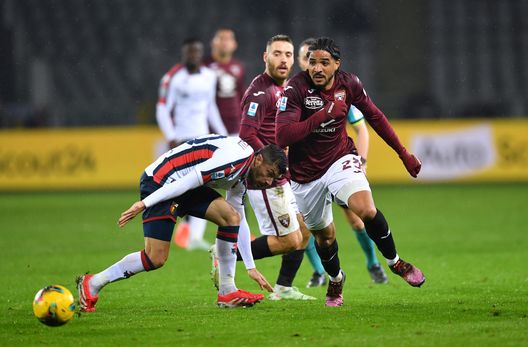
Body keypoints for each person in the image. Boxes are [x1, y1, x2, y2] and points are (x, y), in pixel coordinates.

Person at [276, 37, 425, 307]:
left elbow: (376, 117)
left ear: (337, 64)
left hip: (340, 158)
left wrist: (403, 153)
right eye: (312, 62)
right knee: (325, 235)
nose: (317, 68)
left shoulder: (350, 83)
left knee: (365, 209)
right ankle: (335, 278)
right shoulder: (295, 89)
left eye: (324, 62)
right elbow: (282, 134)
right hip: (305, 174)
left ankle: (395, 262)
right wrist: (323, 114)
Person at [77, 134, 287, 311]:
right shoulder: (237, 158)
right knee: (155, 258)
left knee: (230, 216)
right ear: (259, 160)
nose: (268, 182)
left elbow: (237, 218)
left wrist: (250, 266)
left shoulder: (244, 173)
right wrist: (145, 203)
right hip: (163, 181)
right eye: (269, 174)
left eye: (273, 178)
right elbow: (188, 180)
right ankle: (93, 283)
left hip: (186, 187)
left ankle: (227, 291)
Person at [297, 38, 387, 287]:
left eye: (316, 60)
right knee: (306, 226)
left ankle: (373, 264)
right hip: (307, 173)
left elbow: (362, 129)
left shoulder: (338, 91)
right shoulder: (294, 94)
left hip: (336, 164)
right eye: (307, 59)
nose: (312, 65)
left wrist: (363, 161)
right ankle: (319, 272)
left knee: (357, 218)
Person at [235, 34, 314, 300]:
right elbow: (247, 134)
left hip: (282, 176)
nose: (283, 59)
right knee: (289, 241)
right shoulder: (261, 91)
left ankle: (283, 287)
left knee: (304, 231)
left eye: (288, 55)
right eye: (277, 53)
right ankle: (226, 252)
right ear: (265, 57)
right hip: (266, 181)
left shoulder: (284, 88)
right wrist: (272, 159)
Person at [156, 37, 228, 251]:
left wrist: (223, 135)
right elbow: (162, 109)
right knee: (179, 189)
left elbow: (210, 107)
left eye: (196, 52)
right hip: (182, 140)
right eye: (189, 52)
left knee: (203, 185)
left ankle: (193, 237)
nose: (193, 56)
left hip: (202, 138)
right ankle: (179, 228)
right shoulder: (172, 78)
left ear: (201, 53)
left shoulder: (208, 76)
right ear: (183, 54)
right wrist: (170, 136)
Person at [204, 28, 245, 136]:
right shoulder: (204, 66)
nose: (225, 42)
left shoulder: (238, 67)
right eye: (221, 38)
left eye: (228, 39)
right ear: (213, 42)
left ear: (234, 44)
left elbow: (241, 95)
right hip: (209, 126)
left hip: (234, 124)